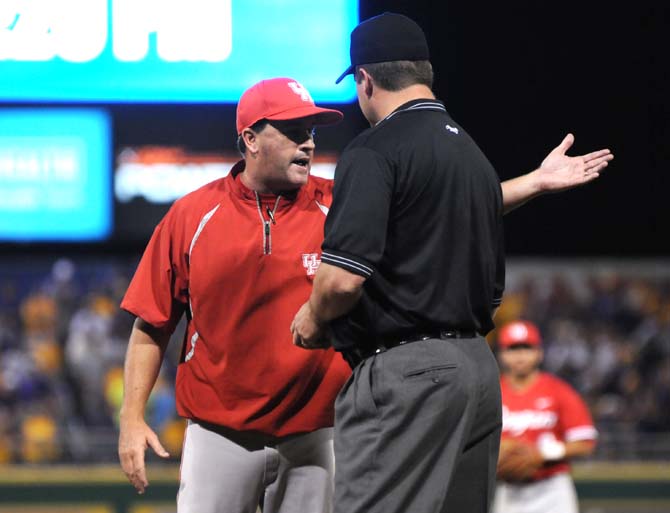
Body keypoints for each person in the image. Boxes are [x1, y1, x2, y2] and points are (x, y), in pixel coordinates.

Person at [290, 12, 611, 513]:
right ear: (423, 72)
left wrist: (313, 316)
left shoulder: (375, 150)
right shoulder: (468, 151)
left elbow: (341, 281)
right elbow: (452, 206)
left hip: (407, 370)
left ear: (365, 80)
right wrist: (536, 182)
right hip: (476, 370)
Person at [118, 77, 350, 513]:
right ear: (250, 139)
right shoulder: (192, 215)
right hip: (218, 434)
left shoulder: (339, 206)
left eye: (312, 132)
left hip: (317, 433)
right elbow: (151, 324)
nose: (309, 144)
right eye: (294, 132)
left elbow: (435, 214)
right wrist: (131, 419)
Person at [492, 320, 597, 513]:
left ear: (539, 352)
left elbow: (585, 443)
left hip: (552, 490)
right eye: (513, 349)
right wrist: (499, 452)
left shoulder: (559, 391)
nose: (520, 355)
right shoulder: (492, 394)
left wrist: (543, 454)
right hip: (508, 489)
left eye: (526, 348)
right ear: (501, 354)